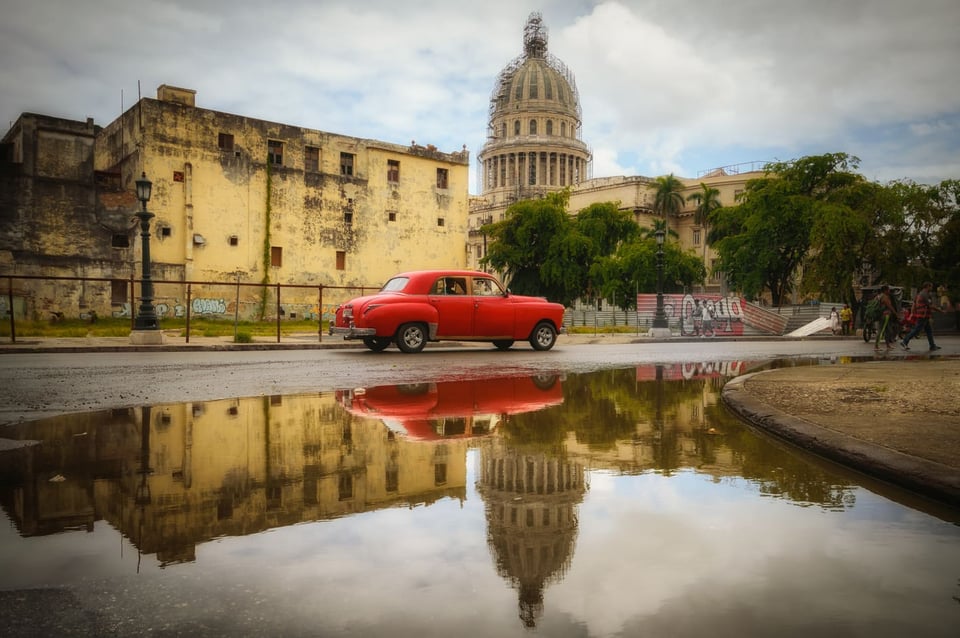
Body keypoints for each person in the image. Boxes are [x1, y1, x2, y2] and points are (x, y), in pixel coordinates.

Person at [900, 281, 942, 351]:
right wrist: (940, 311)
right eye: (930, 286)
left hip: (923, 315)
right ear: (927, 286)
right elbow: (930, 305)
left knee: (929, 331)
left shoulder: (919, 294)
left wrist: (913, 314)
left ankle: (932, 346)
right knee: (917, 330)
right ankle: (905, 341)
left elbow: (914, 304)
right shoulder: (924, 294)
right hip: (923, 315)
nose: (931, 288)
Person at [874, 285, 899, 350]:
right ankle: (876, 346)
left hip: (882, 315)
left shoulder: (878, 296)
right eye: (888, 290)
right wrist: (895, 313)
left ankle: (888, 345)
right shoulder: (884, 297)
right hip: (885, 316)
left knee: (888, 331)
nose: (889, 291)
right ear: (885, 290)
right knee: (881, 330)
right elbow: (889, 306)